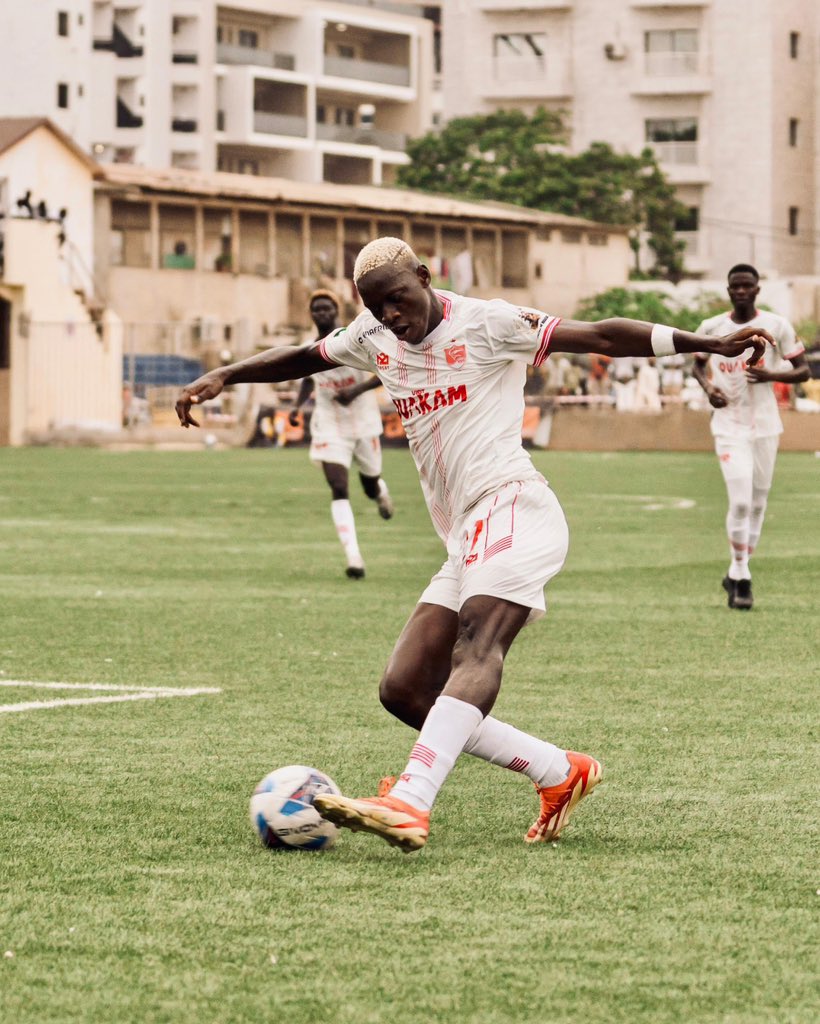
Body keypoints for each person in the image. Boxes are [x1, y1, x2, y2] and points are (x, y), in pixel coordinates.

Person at [176, 237, 773, 853]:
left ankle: (409, 801)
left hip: (515, 504)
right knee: (405, 689)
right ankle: (558, 771)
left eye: (400, 300)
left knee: (476, 642)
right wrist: (226, 373)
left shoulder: (489, 323)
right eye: (378, 309)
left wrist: (705, 343)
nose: (392, 319)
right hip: (466, 531)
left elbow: (600, 335)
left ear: (426, 278)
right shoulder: (374, 335)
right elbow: (305, 356)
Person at [692, 264, 808, 611]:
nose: (741, 291)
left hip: (765, 425)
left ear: (757, 290)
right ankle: (742, 577)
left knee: (758, 502)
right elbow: (697, 363)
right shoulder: (712, 327)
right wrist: (708, 387)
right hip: (728, 425)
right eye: (735, 287)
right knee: (740, 500)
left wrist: (771, 373)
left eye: (747, 286)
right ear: (728, 291)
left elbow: (803, 369)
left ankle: (736, 569)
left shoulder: (777, 325)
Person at [288, 289, 394, 579]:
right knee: (338, 487)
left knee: (369, 484)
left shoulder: (355, 340)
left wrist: (356, 390)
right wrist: (298, 407)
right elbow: (308, 382)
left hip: (363, 420)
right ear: (311, 315)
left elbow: (385, 370)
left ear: (336, 311)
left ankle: (380, 492)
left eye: (326, 308)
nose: (321, 313)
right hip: (329, 423)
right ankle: (354, 556)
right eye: (316, 309)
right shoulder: (308, 348)